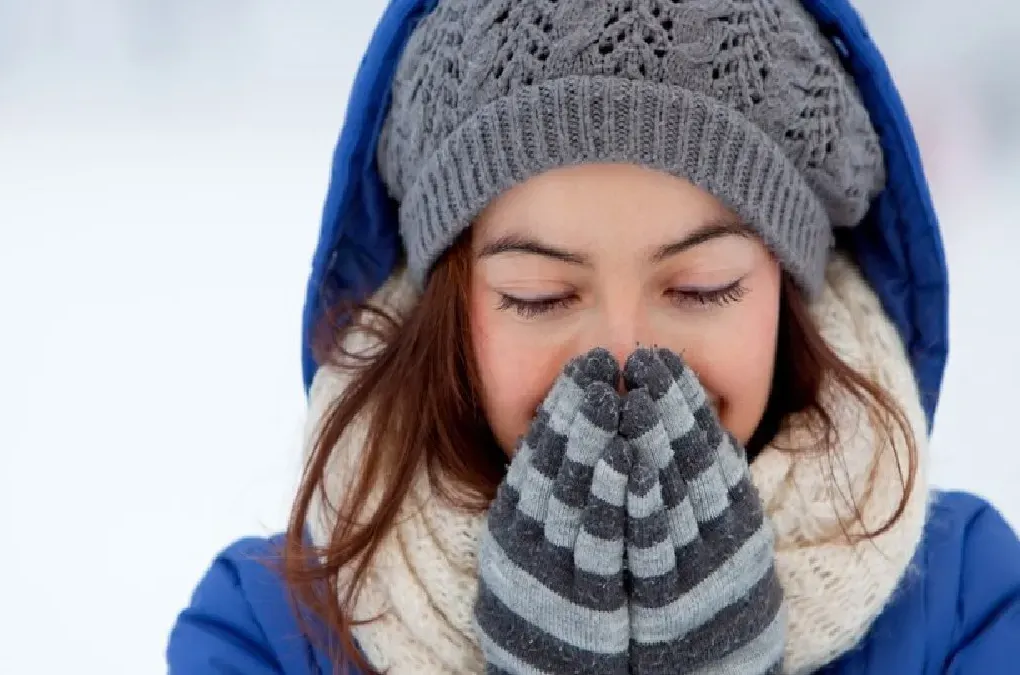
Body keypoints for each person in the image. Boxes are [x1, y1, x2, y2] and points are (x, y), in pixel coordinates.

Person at [167, 0, 1020, 672]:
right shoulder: (264, 634)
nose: (618, 359)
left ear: (788, 294)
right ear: (450, 312)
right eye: (540, 296)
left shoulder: (967, 602)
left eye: (700, 287)